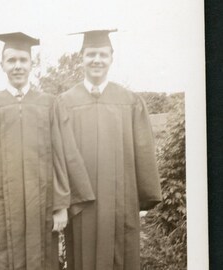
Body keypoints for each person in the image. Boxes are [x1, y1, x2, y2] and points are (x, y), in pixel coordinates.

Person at [0, 32, 94, 270]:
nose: (18, 66)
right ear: (2, 65)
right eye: (11, 61)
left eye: (23, 60)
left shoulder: (49, 104)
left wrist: (61, 205)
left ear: (32, 64)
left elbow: (61, 157)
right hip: (2, 212)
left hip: (41, 211)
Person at [54, 30, 162, 270]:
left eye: (102, 54)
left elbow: (143, 151)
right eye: (91, 54)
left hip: (121, 204)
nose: (96, 60)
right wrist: (63, 201)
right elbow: (57, 157)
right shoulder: (64, 102)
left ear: (111, 58)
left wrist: (142, 200)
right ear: (81, 57)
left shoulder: (130, 101)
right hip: (81, 205)